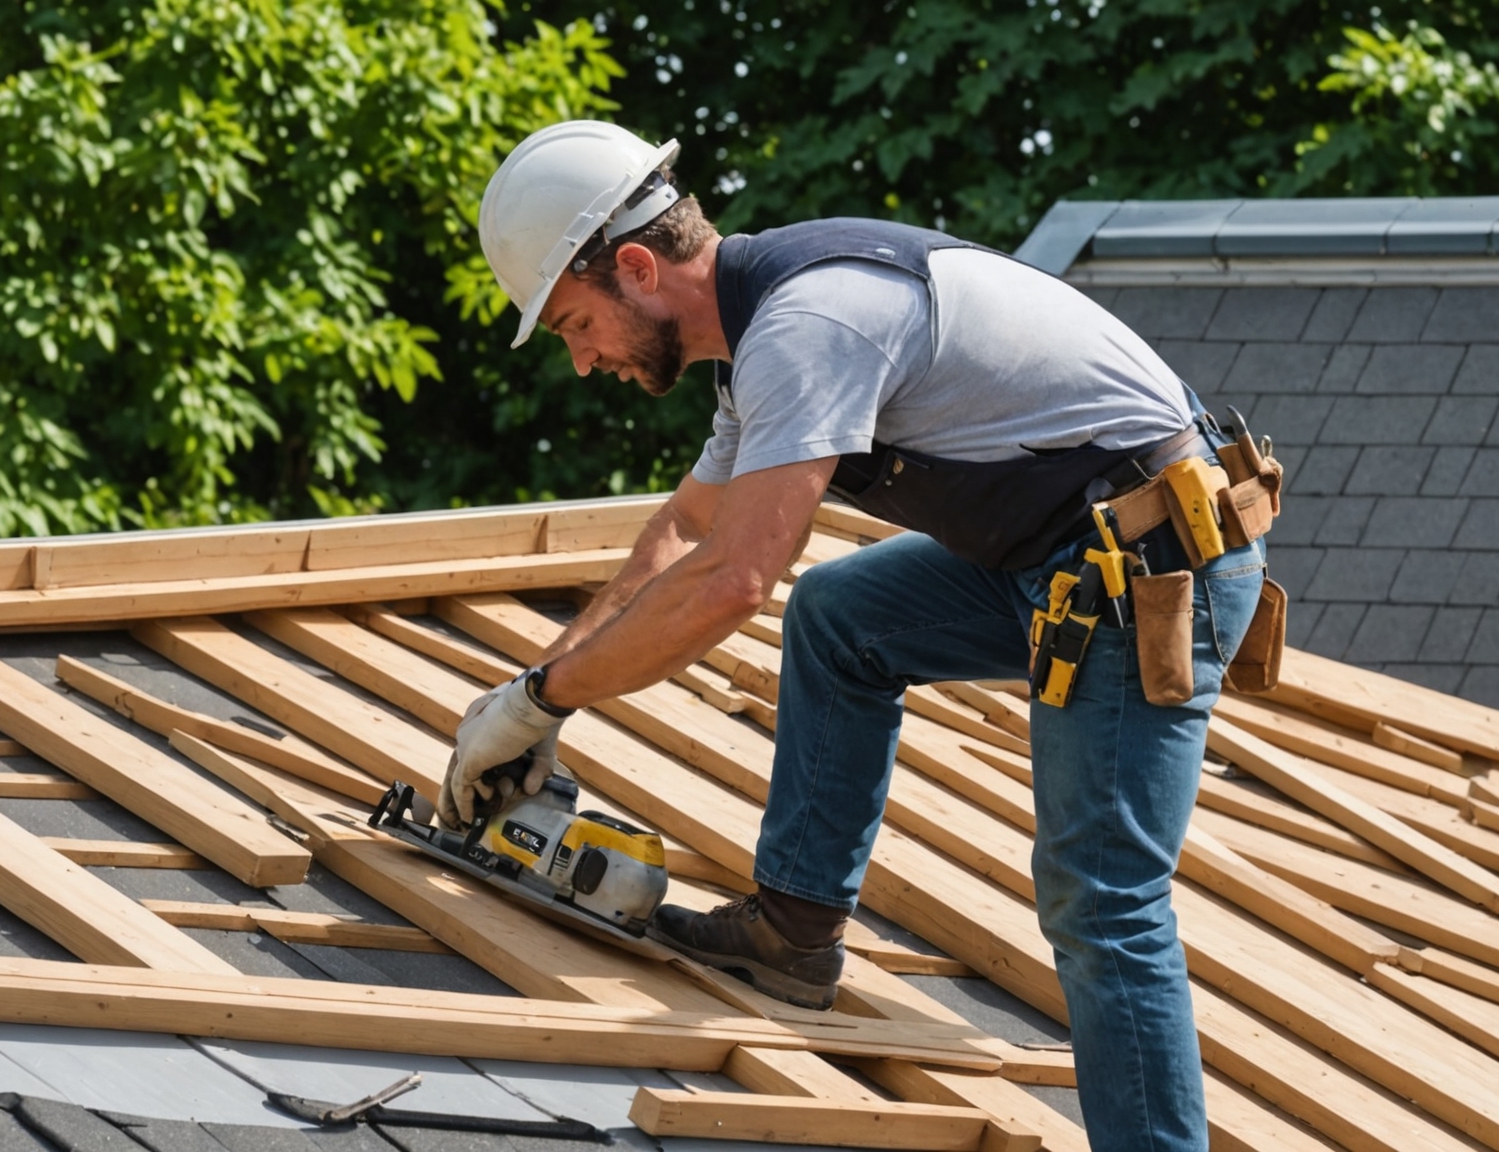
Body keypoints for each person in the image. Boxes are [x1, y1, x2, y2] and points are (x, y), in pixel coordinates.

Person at [439, 120, 1277, 1152]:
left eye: (575, 325)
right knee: (842, 618)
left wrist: (548, 704)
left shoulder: (808, 325)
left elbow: (731, 581)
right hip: (1053, 559)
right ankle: (793, 935)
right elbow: (682, 531)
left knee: (1099, 895)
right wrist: (526, 694)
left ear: (639, 268)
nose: (581, 362)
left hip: (1148, 571)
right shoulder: (760, 345)